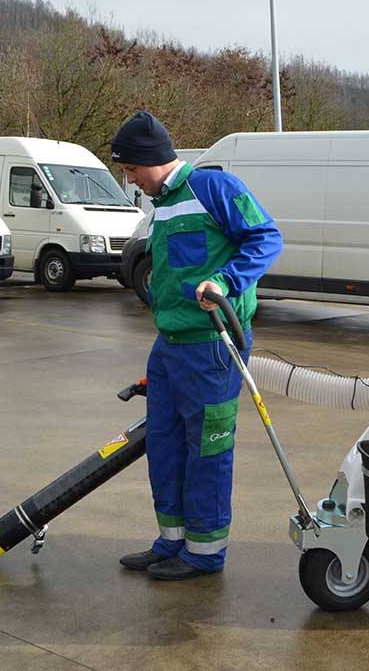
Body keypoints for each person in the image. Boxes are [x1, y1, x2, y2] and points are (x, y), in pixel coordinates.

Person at [113, 112, 283, 581]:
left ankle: (205, 552)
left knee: (206, 450)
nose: (129, 179)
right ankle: (172, 541)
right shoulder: (161, 204)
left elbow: (267, 237)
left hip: (212, 346)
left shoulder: (214, 190)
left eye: (130, 170)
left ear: (151, 160)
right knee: (164, 445)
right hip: (169, 346)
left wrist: (226, 282)